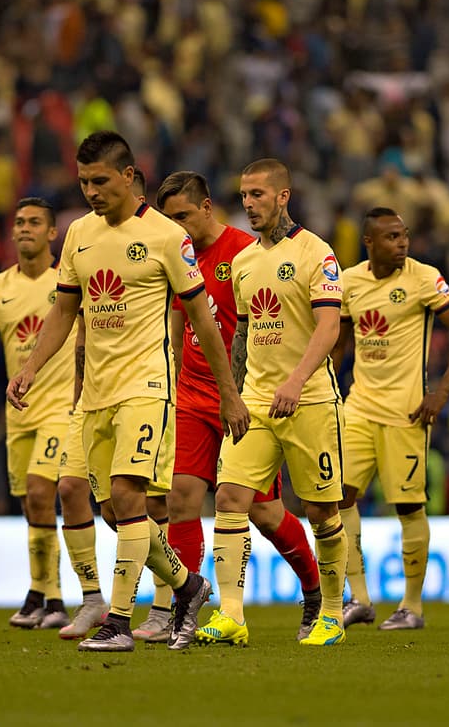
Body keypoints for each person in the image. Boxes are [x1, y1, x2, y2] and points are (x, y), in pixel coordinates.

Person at [7, 131, 249, 652]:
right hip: (96, 394)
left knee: (127, 494)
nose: (91, 192)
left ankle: (118, 621)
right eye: (83, 182)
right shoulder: (78, 234)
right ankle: (188, 585)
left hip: (147, 386)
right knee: (116, 513)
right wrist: (30, 368)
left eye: (99, 181)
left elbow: (203, 321)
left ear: (129, 176)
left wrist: (229, 392)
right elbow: (64, 311)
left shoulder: (166, 236)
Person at [129, 170, 323, 644]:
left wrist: (244, 391)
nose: (176, 227)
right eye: (169, 219)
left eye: (182, 216)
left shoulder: (244, 251)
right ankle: (182, 608)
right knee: (180, 498)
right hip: (193, 396)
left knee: (265, 513)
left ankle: (314, 589)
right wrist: (174, 382)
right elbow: (180, 321)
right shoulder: (178, 254)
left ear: (206, 207)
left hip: (243, 396)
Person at [196, 159, 348, 647]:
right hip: (257, 402)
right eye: (244, 195)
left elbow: (330, 326)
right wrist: (234, 395)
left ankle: (331, 615)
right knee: (229, 498)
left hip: (310, 400)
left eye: (258, 194)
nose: (248, 203)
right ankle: (232, 615)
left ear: (284, 196)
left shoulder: (316, 253)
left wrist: (296, 381)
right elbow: (242, 334)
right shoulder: (244, 261)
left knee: (322, 511)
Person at [0, 197, 105, 635]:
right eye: (19, 222)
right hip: (19, 412)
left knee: (40, 490)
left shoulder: (67, 280)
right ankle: (42, 594)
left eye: (34, 222)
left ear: (52, 233)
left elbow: (89, 337)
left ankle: (55, 598)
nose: (24, 229)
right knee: (29, 503)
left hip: (61, 408)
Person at [332, 207, 449, 631]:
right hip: (359, 406)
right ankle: (360, 599)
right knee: (338, 499)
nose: (402, 243)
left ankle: (412, 606)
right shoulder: (350, 281)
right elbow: (339, 343)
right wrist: (327, 392)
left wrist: (441, 393)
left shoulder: (423, 278)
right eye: (392, 237)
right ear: (369, 242)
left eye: (404, 235)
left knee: (409, 507)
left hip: (406, 413)